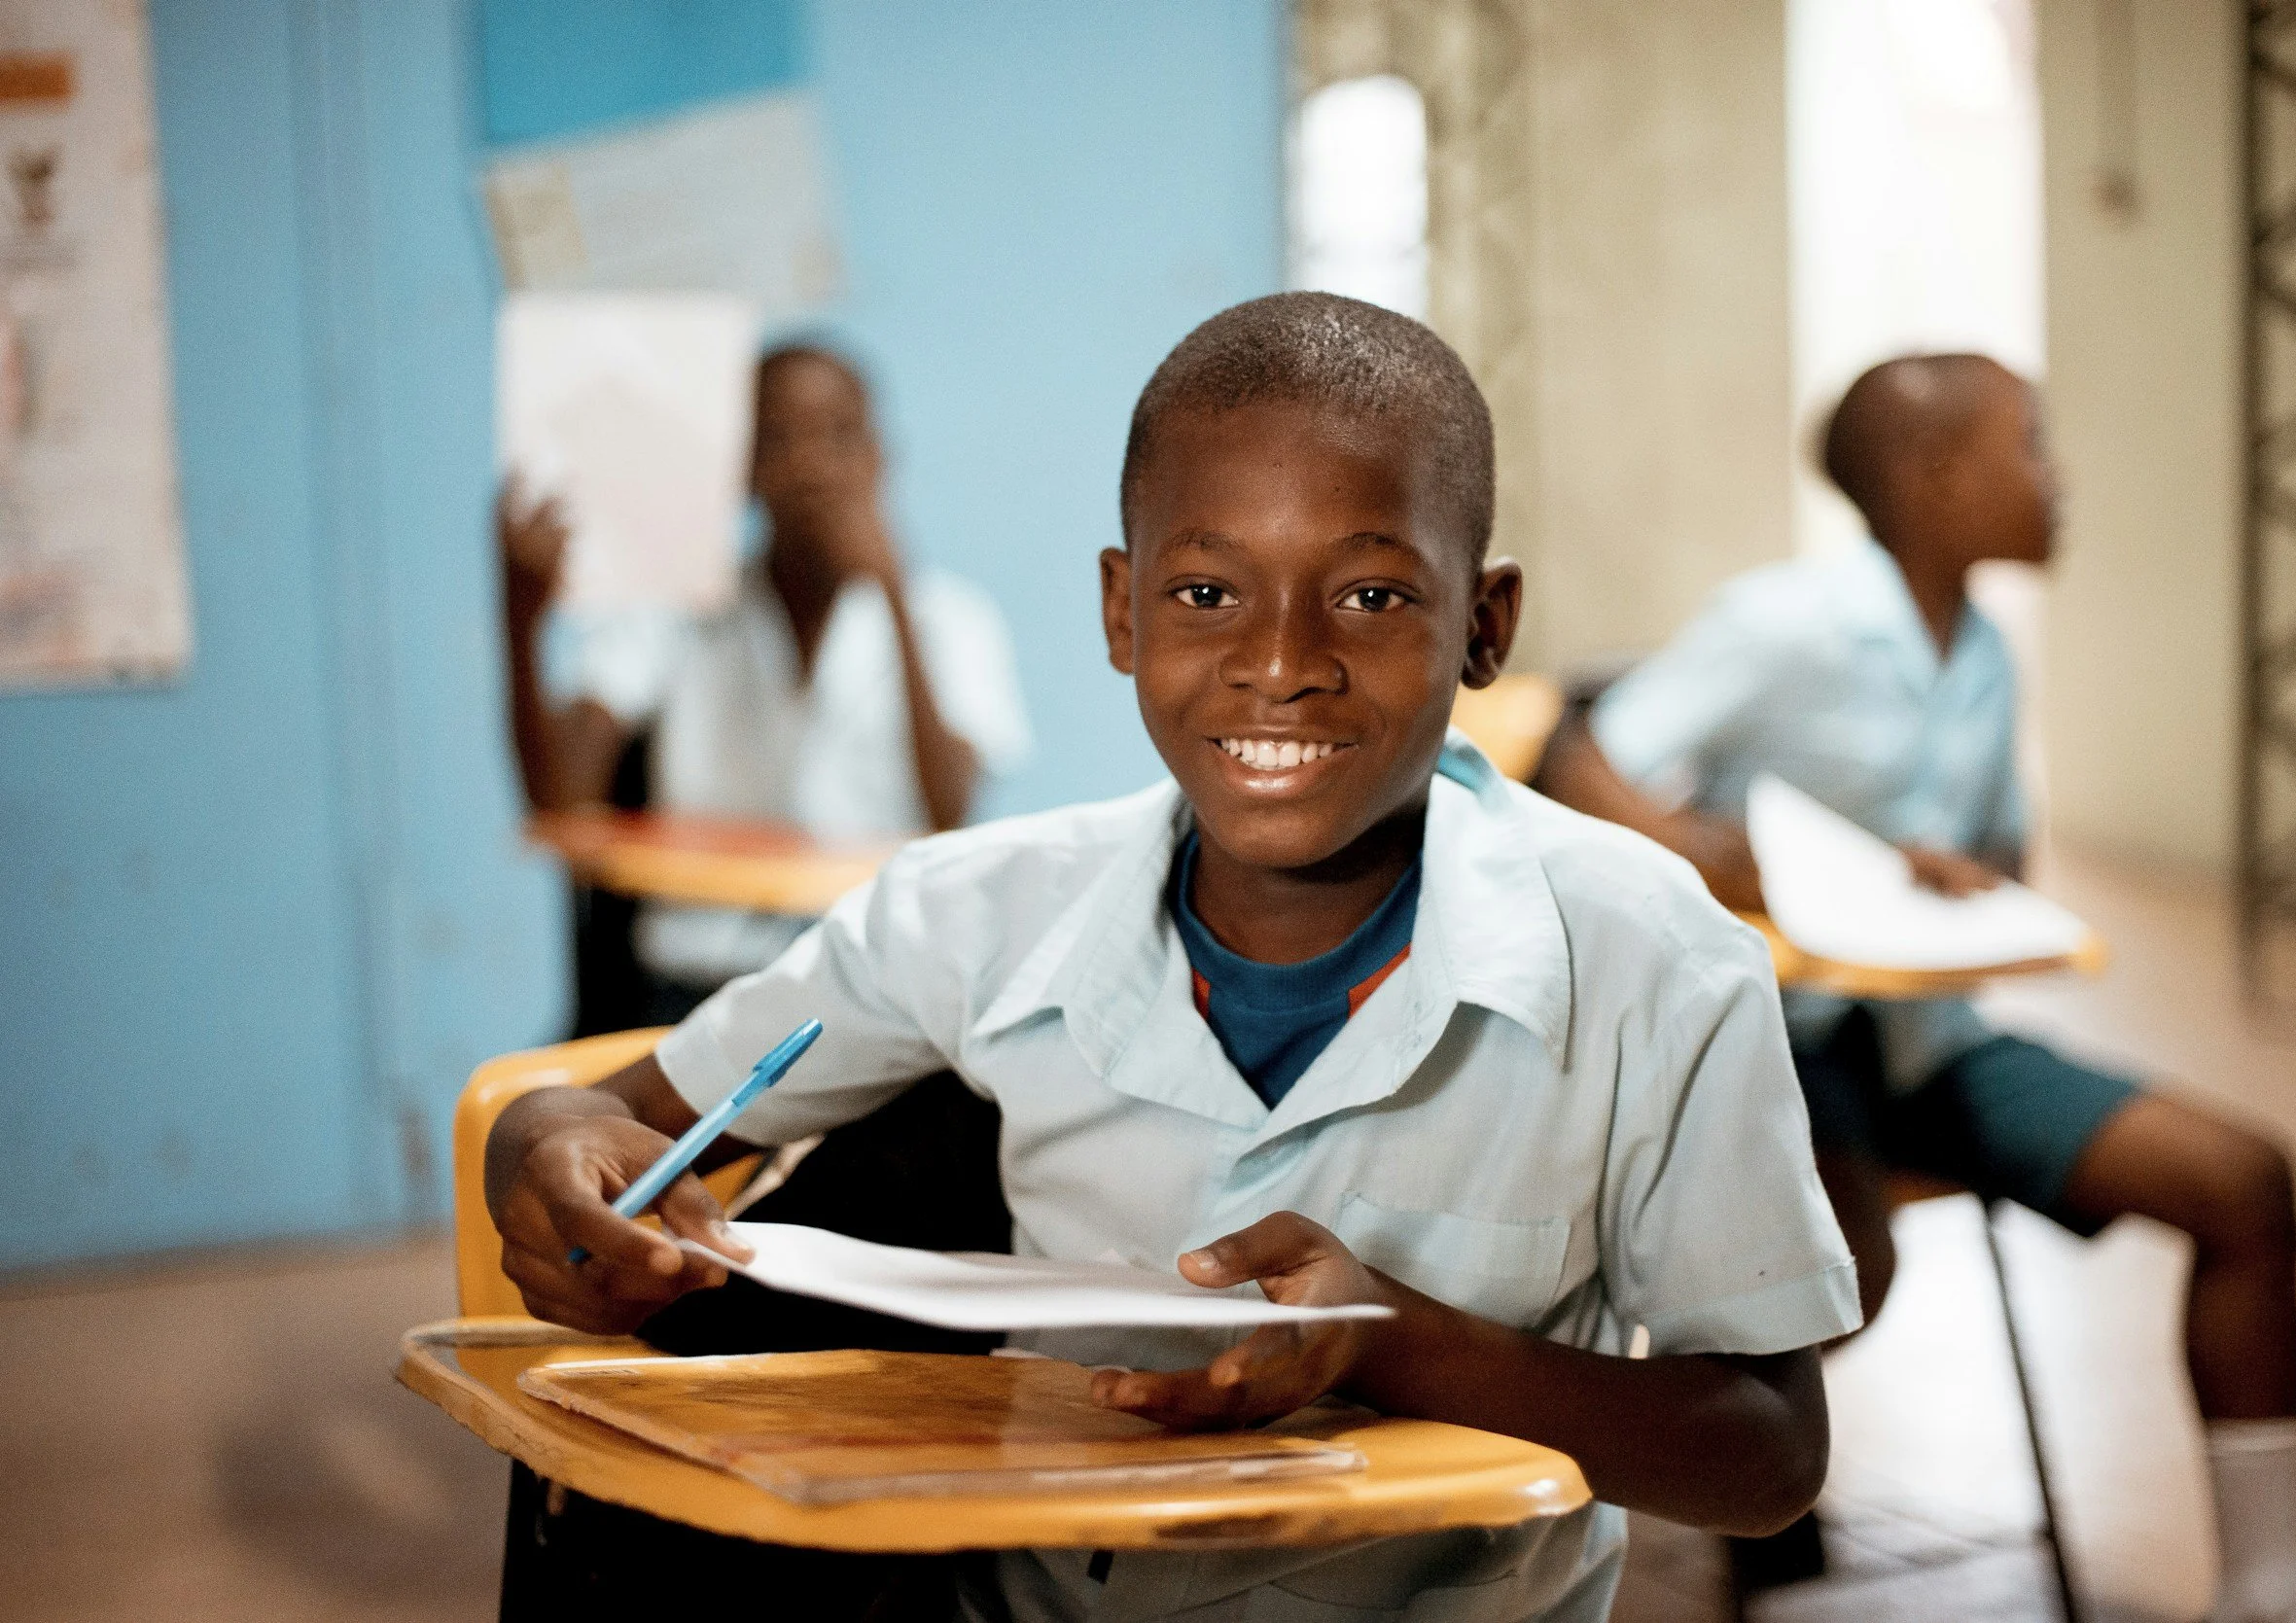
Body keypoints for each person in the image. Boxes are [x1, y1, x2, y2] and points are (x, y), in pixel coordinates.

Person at [483, 292, 1862, 1622]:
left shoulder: (1655, 961)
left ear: (1485, 625)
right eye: (1207, 589)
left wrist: (1407, 1343)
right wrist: (545, 1155)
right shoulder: (975, 911)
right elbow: (609, 1114)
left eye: (1373, 595)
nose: (1282, 662)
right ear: (1121, 610)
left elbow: (1767, 1456)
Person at [1535, 354, 2296, 1623]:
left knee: (2244, 1182)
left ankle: (2272, 1594)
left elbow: (2000, 854)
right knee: (1839, 1264)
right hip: (1783, 1044)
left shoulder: (1988, 654)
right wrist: (1719, 857)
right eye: (2032, 445)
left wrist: (1957, 876)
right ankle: (1765, 1522)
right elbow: (1582, 757)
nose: (2056, 478)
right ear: (1934, 476)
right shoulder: (1784, 623)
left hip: (1927, 1035)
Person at [498, 343, 1031, 1013]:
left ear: (878, 458)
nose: (810, 464)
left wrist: (892, 592)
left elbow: (950, 810)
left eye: (838, 436)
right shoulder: (678, 610)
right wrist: (521, 620)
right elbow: (559, 801)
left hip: (874, 987)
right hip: (694, 985)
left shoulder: (950, 619)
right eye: (779, 438)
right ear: (743, 469)